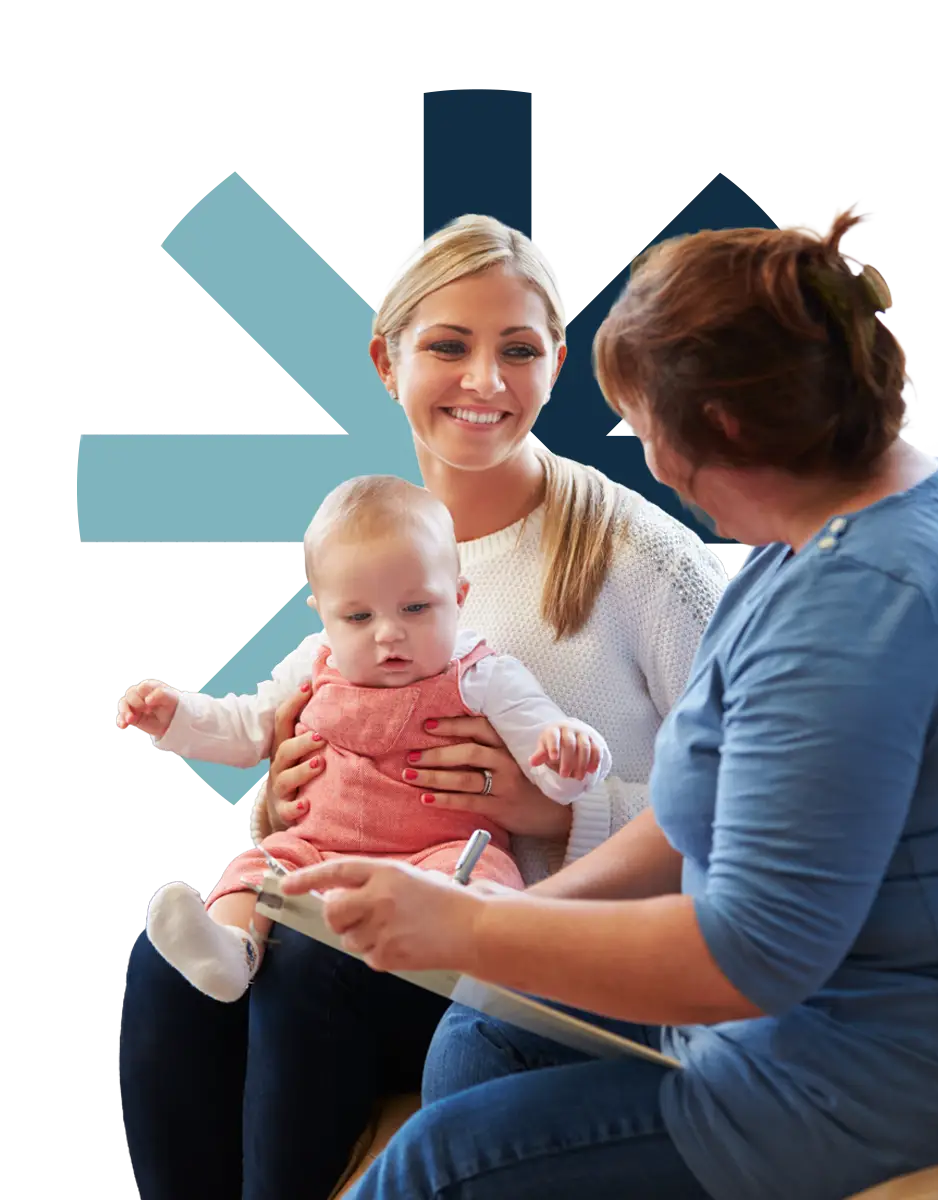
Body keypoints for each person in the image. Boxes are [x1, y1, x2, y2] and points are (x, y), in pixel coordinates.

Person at [275, 208, 938, 1200]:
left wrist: (464, 930)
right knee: (486, 1025)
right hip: (820, 1015)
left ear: (720, 426)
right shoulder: (838, 526)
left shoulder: (856, 612)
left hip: (889, 1070)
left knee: (435, 1165)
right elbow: (697, 814)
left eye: (642, 429)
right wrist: (503, 916)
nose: (647, 462)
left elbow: (749, 957)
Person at [117, 215, 730, 1200]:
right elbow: (315, 747)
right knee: (165, 970)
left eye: (518, 350)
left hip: (541, 952)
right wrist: (275, 801)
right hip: (389, 915)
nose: (485, 380)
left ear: (557, 362)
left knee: (312, 965)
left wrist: (560, 814)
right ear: (386, 362)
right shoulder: (377, 551)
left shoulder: (640, 558)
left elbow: (754, 799)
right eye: (449, 345)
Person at [118, 475, 611, 1003]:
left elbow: (545, 748)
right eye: (358, 617)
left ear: (459, 597)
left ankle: (463, 958)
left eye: (416, 608)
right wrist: (177, 716)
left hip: (437, 856)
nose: (388, 633)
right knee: (256, 869)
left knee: (481, 875)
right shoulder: (315, 661)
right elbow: (244, 728)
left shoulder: (482, 675)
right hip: (315, 850)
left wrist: (569, 753)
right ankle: (232, 950)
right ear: (324, 616)